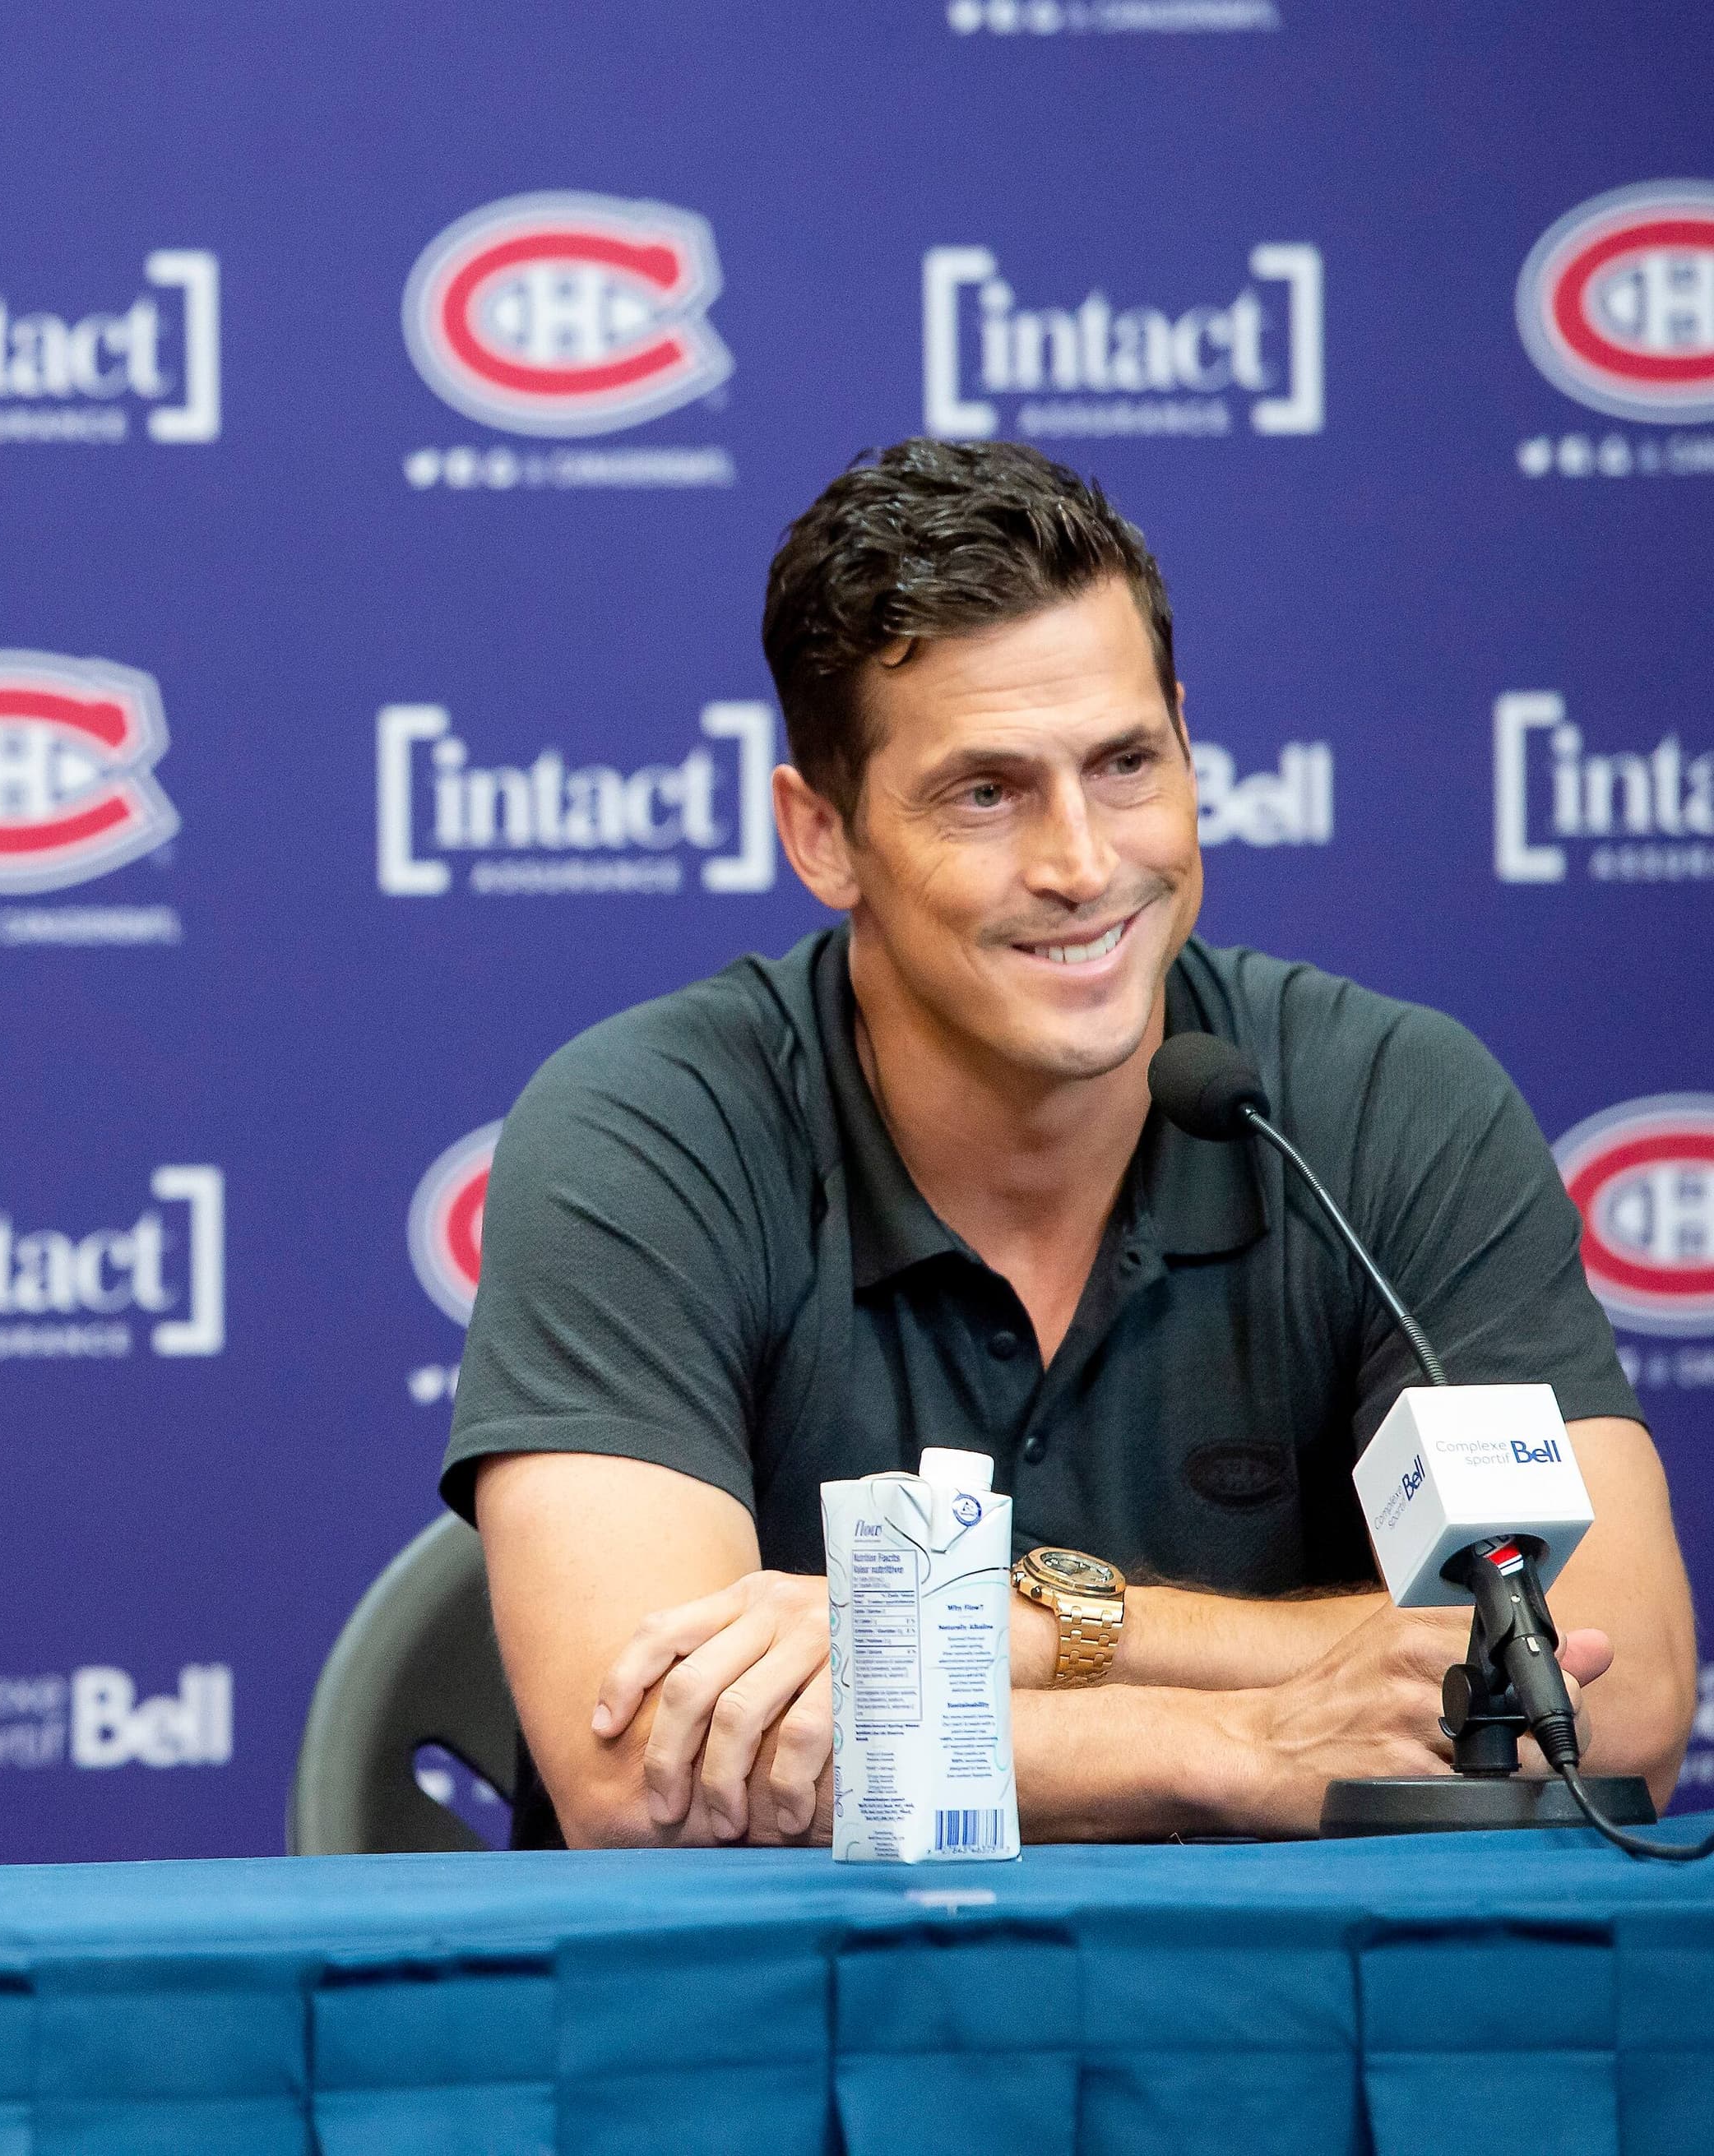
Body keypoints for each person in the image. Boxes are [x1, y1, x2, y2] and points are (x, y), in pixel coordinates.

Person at [449, 440, 1694, 1848]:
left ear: (1187, 744)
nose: (1084, 863)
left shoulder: (1395, 1102)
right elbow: (650, 1771)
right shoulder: (645, 1130)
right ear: (822, 834)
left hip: (1268, 1993)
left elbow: (1624, 1690)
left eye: (1125, 764)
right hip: (790, 1995)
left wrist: (1030, 1631)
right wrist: (1237, 1741)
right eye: (985, 792)